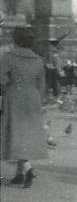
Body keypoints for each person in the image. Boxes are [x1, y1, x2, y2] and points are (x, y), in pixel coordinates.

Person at [0, 27, 47, 188]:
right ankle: (19, 174)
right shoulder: (38, 59)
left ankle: (27, 168)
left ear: (15, 40)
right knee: (26, 134)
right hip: (33, 97)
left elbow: (1, 79)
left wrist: (8, 86)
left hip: (14, 95)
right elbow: (42, 84)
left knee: (15, 133)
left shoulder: (8, 57)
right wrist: (38, 98)